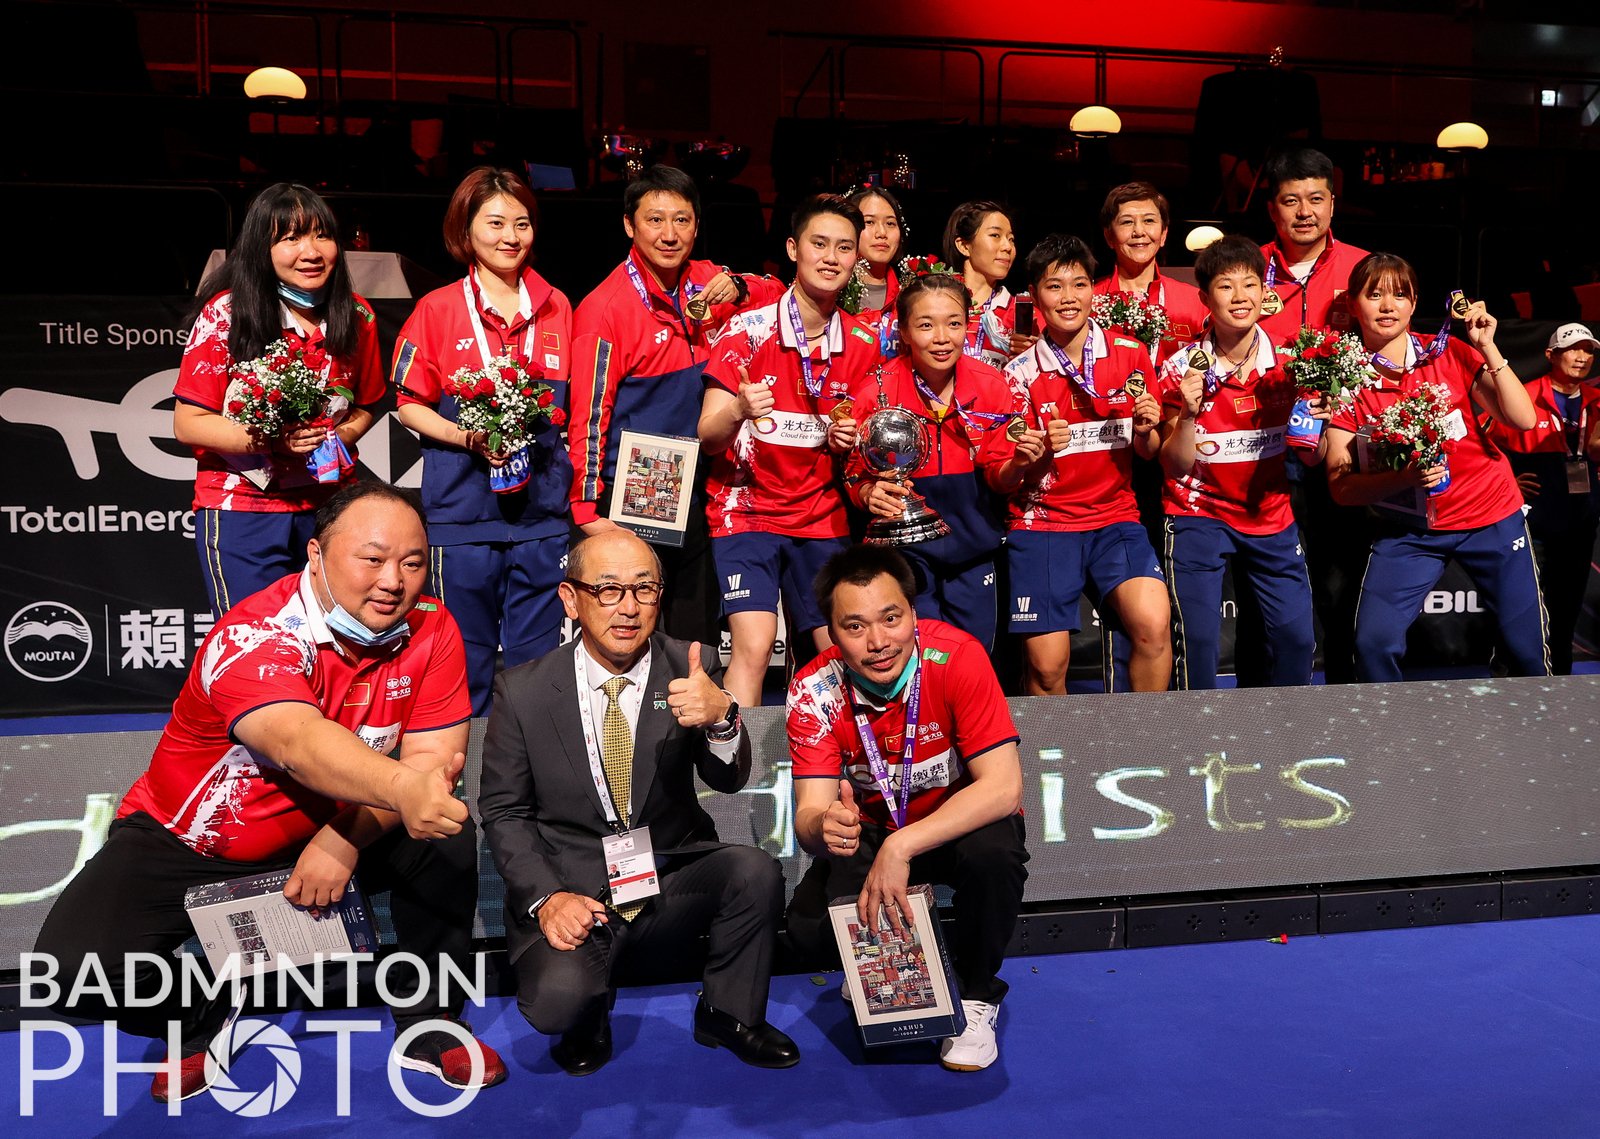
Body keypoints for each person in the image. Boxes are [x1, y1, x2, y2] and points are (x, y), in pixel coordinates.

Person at [32, 481, 505, 1102]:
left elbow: (433, 765)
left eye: (412, 563)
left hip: (338, 822)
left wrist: (343, 839)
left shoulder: (431, 627)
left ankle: (429, 1021)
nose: (393, 581)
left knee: (444, 833)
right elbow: (295, 743)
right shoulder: (256, 635)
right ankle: (201, 1019)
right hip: (196, 839)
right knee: (70, 971)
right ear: (316, 555)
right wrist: (398, 787)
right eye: (372, 559)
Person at [479, 529, 798, 1075]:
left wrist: (723, 718)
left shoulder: (691, 666)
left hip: (669, 873)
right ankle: (588, 1012)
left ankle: (728, 1013)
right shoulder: (524, 689)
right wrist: (548, 897)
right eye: (608, 590)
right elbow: (505, 812)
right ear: (571, 599)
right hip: (573, 885)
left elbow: (728, 780)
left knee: (754, 872)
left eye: (644, 589)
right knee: (556, 1004)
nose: (628, 608)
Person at [785, 544, 1028, 1072]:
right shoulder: (813, 690)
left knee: (996, 854)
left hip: (954, 824)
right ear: (831, 633)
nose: (878, 642)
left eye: (891, 618)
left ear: (913, 614)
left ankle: (976, 995)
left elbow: (1004, 787)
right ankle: (883, 968)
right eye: (854, 626)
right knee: (807, 930)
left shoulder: (957, 656)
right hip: (872, 827)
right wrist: (824, 825)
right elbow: (808, 816)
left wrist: (902, 846)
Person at [567, 164, 781, 643]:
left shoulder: (708, 281)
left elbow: (782, 296)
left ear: (697, 225)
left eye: (681, 220)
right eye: (655, 220)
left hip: (708, 484)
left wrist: (742, 285)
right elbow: (588, 416)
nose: (669, 234)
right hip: (642, 487)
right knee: (635, 630)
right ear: (629, 225)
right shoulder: (605, 309)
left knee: (695, 634)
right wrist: (585, 509)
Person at [391, 167, 573, 716]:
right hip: (463, 516)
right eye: (495, 223)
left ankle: (530, 770)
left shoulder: (558, 306)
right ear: (465, 231)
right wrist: (467, 437)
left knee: (538, 668)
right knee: (461, 663)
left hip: (541, 516)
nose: (510, 237)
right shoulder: (438, 308)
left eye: (522, 223)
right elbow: (408, 404)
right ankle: (459, 767)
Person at [1325, 253, 1550, 681]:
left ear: (1414, 304)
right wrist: (1403, 479)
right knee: (1373, 643)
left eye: (1400, 295)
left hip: (1491, 516)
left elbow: (1522, 419)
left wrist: (1487, 347)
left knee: (1526, 651)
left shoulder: (1448, 353)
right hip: (1410, 531)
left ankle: (1529, 718)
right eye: (1374, 295)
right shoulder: (1345, 381)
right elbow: (1341, 487)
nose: (1387, 306)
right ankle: (1383, 722)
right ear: (1352, 304)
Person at [698, 193, 881, 710]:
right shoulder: (747, 331)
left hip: (820, 515)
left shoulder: (863, 342)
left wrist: (849, 442)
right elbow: (708, 434)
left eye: (844, 247)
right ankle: (736, 757)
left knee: (839, 649)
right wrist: (738, 408)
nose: (831, 257)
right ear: (793, 249)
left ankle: (839, 753)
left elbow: (860, 439)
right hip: (746, 511)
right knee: (755, 648)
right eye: (819, 244)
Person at [175, 182, 385, 619]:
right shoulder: (226, 314)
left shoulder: (357, 314)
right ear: (261, 248)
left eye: (322, 236)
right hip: (244, 507)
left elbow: (368, 404)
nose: (311, 252)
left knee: (334, 635)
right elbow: (188, 422)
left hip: (330, 506)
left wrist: (337, 437)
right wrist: (273, 442)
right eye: (290, 238)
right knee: (255, 638)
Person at [1002, 234, 1172, 695]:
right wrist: (1036, 454)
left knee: (1154, 626)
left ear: (1093, 289)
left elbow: (1149, 451)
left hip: (1116, 518)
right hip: (1044, 524)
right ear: (1034, 295)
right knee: (1047, 668)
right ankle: (1052, 744)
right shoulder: (1017, 375)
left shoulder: (1131, 355)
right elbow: (1008, 476)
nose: (1069, 297)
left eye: (1079, 284)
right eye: (1054, 286)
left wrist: (1146, 430)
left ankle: (1147, 736)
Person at [1155, 235, 1326, 689]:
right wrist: (1187, 415)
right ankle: (1197, 729)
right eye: (1225, 286)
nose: (1239, 297)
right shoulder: (1179, 368)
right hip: (1197, 514)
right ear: (1205, 298)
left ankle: (1287, 725)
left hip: (1270, 514)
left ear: (1264, 292)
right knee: (1198, 644)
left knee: (1296, 641)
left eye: (1249, 284)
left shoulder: (1294, 361)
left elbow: (1314, 455)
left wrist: (1320, 425)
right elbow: (1173, 465)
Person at [844, 272, 1035, 650]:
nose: (942, 337)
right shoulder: (876, 389)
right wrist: (867, 494)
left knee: (972, 658)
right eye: (926, 325)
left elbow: (999, 477)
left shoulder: (991, 384)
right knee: (918, 659)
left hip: (974, 551)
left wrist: (1018, 464)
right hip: (904, 554)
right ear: (903, 331)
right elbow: (853, 473)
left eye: (954, 324)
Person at [1253, 148, 1373, 685]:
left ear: (1332, 203)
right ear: (1272, 209)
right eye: (1291, 201)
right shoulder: (1248, 269)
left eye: (1316, 199)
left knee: (1340, 586)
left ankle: (1344, 698)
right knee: (1263, 589)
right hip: (1264, 448)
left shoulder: (1364, 268)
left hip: (1342, 449)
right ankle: (1258, 705)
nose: (1305, 212)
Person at [1484, 322, 1600, 674]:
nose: (1581, 357)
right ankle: (1507, 675)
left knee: (1567, 606)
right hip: (1532, 521)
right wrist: (1509, 482)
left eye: (1588, 350)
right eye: (1572, 349)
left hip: (1581, 519)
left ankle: (1559, 678)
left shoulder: (1597, 401)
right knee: (1523, 603)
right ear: (1551, 355)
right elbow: (1481, 444)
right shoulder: (1524, 395)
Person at [1094, 182, 1209, 365]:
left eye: (1149, 221)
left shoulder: (1197, 302)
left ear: (1163, 234)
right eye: (1127, 222)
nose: (1139, 232)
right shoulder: (1089, 301)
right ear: (1109, 236)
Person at [942, 201, 1032, 369]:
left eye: (1011, 239)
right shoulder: (936, 305)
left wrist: (1030, 354)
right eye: (995, 235)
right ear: (963, 246)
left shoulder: (1018, 313)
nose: (1008, 247)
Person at [841, 185, 907, 332]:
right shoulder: (829, 291)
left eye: (890, 223)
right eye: (869, 222)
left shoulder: (911, 293)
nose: (882, 233)